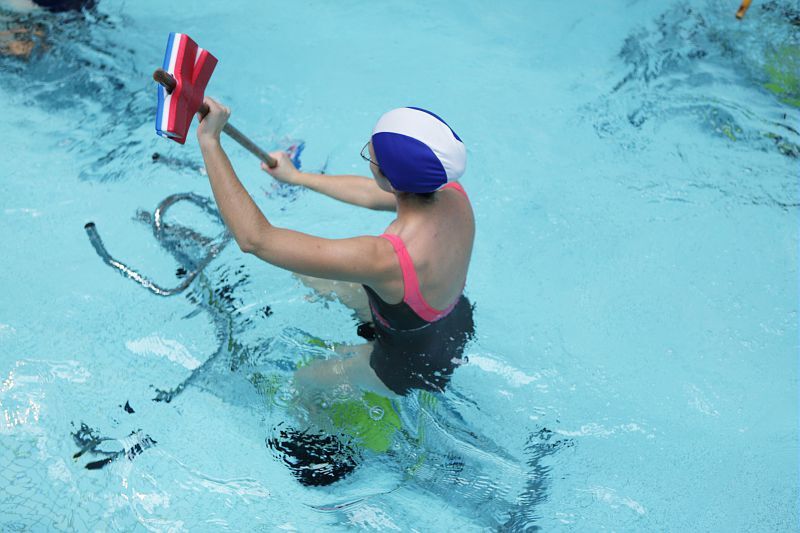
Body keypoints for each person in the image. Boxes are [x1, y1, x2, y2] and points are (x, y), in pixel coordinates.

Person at [197, 98, 475, 399]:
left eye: (370, 154)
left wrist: (210, 142)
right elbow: (374, 194)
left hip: (407, 366)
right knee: (315, 277)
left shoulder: (386, 258)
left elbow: (255, 239)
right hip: (452, 323)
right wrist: (298, 178)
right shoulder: (452, 192)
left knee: (307, 381)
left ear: (388, 178)